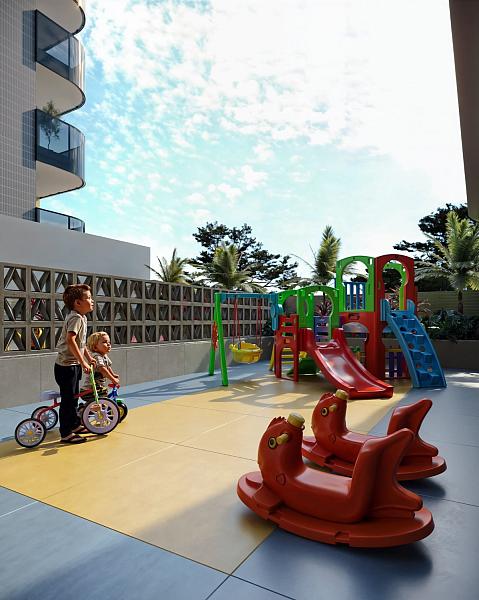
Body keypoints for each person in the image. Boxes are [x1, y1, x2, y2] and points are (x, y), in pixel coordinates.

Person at [54, 284, 96, 444]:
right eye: (89, 298)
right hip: (66, 367)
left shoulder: (82, 317)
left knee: (74, 398)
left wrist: (88, 357)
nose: (92, 300)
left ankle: (74, 425)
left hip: (73, 365)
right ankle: (65, 433)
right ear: (78, 303)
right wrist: (83, 362)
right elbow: (70, 340)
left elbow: (81, 343)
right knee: (68, 400)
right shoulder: (76, 318)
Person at [85, 331, 119, 395]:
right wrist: (113, 379)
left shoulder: (104, 356)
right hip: (91, 388)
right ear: (95, 347)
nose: (108, 344)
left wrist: (113, 375)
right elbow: (102, 369)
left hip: (98, 386)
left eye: (109, 342)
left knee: (104, 394)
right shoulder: (96, 356)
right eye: (104, 342)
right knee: (103, 396)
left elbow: (108, 367)